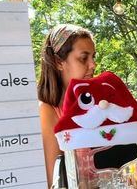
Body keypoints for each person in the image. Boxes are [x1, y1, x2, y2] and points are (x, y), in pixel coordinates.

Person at [37, 24, 97, 187]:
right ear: (58, 62)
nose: (92, 65)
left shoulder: (88, 106)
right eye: (83, 58)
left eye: (93, 57)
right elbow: (55, 182)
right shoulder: (47, 111)